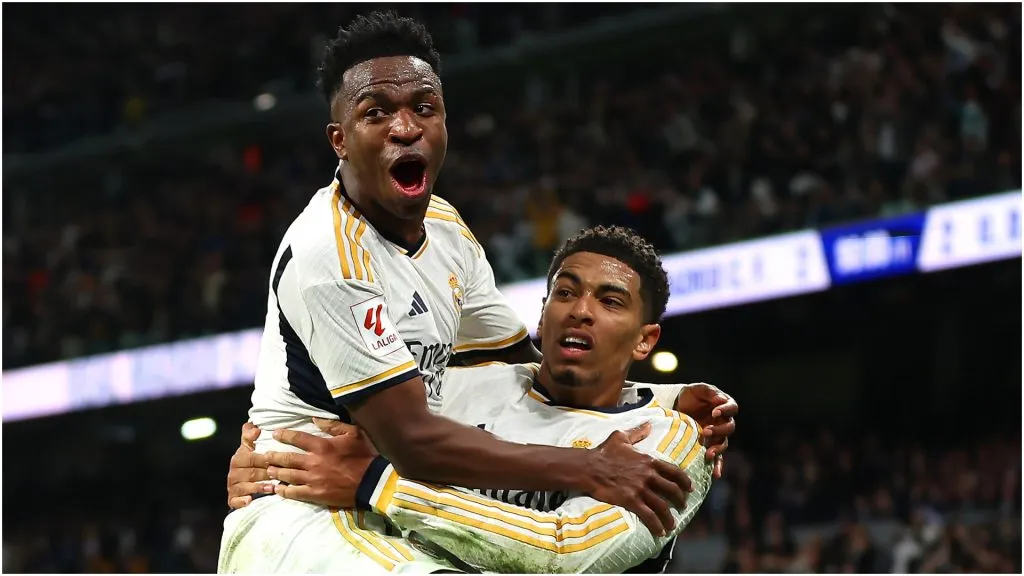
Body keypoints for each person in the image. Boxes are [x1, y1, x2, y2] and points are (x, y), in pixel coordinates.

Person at [234, 8, 738, 540]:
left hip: (380, 501)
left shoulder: (446, 230)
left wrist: (658, 397)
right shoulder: (328, 253)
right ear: (339, 140)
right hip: (303, 509)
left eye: (424, 108)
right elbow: (412, 439)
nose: (405, 128)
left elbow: (527, 373)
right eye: (376, 113)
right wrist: (589, 467)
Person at [219, 225, 715, 574]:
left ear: (645, 340)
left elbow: (568, 553)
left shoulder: (670, 440)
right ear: (541, 317)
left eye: (610, 302)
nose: (580, 311)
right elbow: (330, 450)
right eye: (565, 293)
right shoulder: (453, 389)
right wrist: (264, 462)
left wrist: (378, 485)